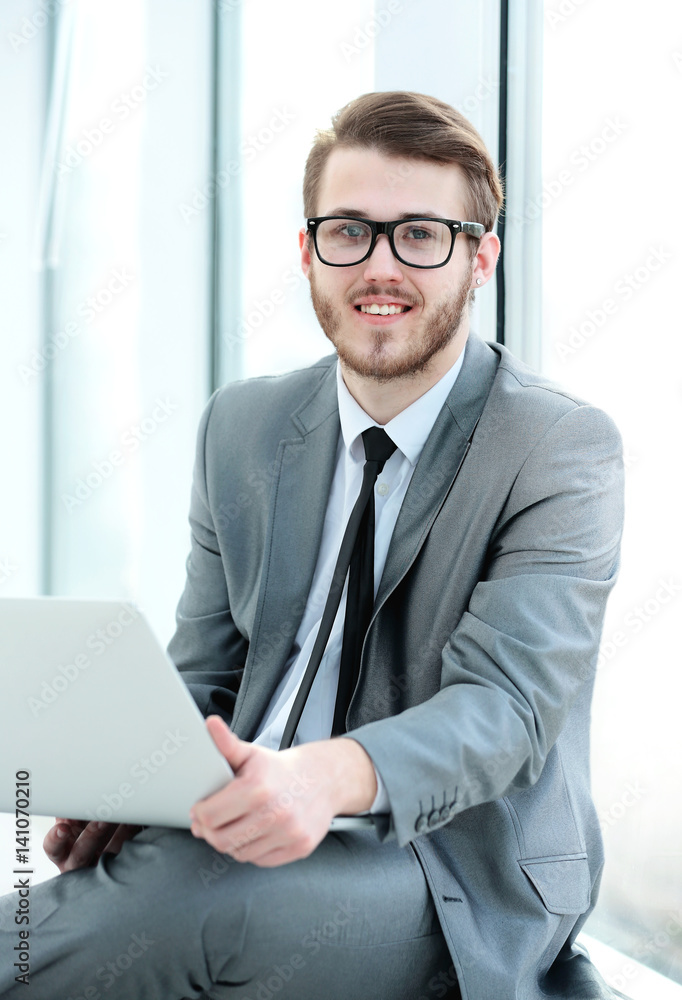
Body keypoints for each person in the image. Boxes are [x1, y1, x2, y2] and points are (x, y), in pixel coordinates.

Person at [0, 91, 629, 1000]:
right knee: (151, 886)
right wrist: (131, 783)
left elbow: (507, 713)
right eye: (349, 232)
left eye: (421, 234)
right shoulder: (243, 426)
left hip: (450, 865)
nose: (380, 266)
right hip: (243, 819)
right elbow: (205, 670)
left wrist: (319, 780)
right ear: (307, 251)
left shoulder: (558, 446)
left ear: (480, 257)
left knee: (187, 899)